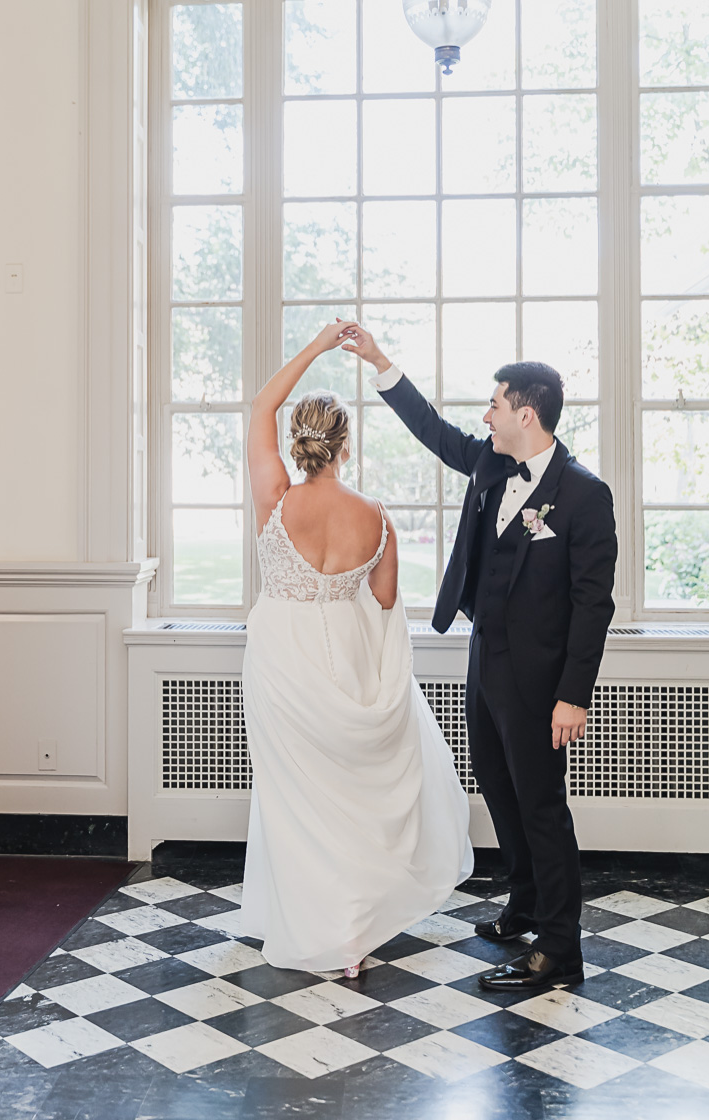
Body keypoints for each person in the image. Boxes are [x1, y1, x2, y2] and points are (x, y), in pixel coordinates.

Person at [340, 322, 617, 993]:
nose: (484, 417)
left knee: (543, 807)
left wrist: (573, 695)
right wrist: (380, 364)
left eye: (494, 405)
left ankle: (559, 948)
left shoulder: (585, 495)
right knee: (499, 789)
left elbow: (593, 605)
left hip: (541, 680)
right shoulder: (493, 464)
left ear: (526, 413)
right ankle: (524, 904)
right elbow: (432, 430)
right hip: (484, 662)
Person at [240, 323, 473, 975]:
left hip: (281, 656)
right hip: (346, 656)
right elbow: (388, 601)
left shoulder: (275, 498)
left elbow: (260, 405)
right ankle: (352, 933)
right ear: (346, 444)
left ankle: (316, 926)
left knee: (295, 798)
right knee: (347, 796)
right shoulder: (377, 516)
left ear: (298, 441)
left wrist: (316, 346)